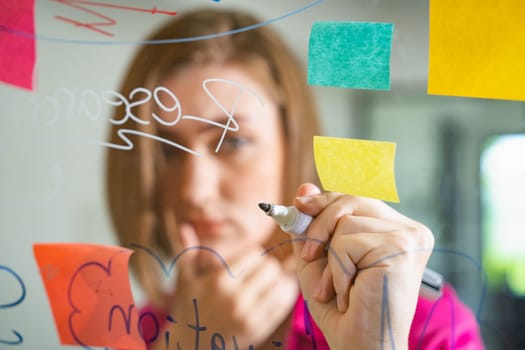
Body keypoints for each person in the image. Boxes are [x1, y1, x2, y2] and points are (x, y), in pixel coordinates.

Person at [105, 8, 484, 350]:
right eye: (168, 150)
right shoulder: (143, 333)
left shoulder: (424, 328)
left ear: (293, 141)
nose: (194, 191)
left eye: (232, 141)